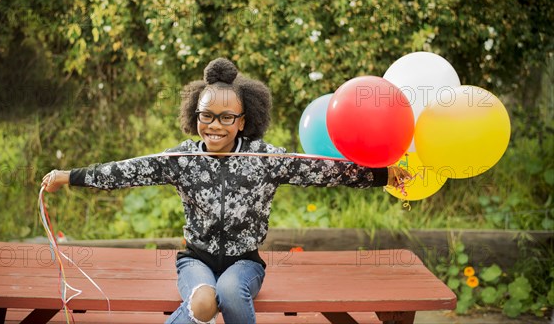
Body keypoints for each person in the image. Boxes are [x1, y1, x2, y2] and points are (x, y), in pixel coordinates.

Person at [41, 58, 410, 324]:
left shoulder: (265, 158)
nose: (214, 126)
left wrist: (382, 175)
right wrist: (69, 176)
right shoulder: (181, 157)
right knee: (203, 303)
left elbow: (323, 170)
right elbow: (126, 171)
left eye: (226, 118)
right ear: (195, 115)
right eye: (206, 116)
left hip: (245, 263)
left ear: (243, 121)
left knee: (232, 292)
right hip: (195, 260)